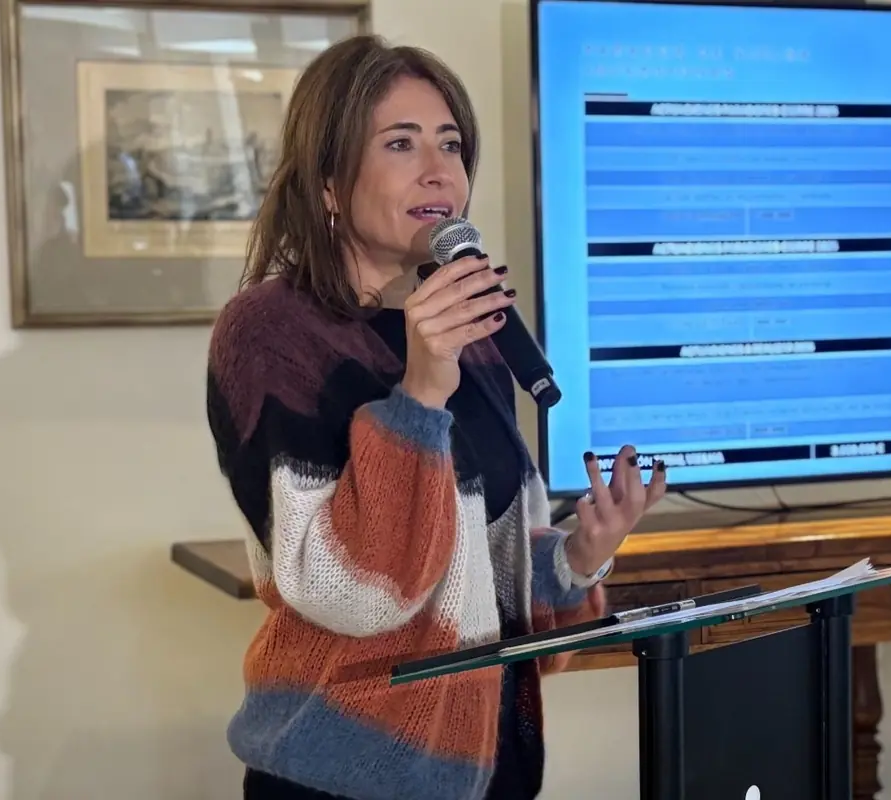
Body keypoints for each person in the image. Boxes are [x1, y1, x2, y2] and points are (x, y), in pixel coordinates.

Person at [205, 33, 668, 800]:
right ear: (328, 179)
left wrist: (581, 554)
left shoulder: (465, 328)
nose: (438, 170)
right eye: (401, 143)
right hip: (343, 780)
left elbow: (477, 580)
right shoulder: (269, 332)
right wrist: (420, 392)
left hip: (492, 768)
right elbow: (354, 594)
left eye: (450, 145)